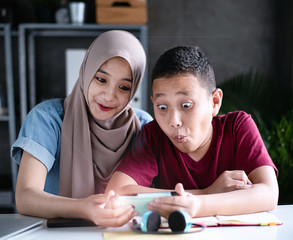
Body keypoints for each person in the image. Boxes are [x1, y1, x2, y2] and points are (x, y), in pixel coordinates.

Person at [106, 46, 279, 219]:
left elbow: (268, 193)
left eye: (186, 105)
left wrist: (198, 206)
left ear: (214, 102)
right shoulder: (154, 136)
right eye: (162, 107)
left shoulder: (237, 127)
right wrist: (205, 192)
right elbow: (116, 193)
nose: (173, 121)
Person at [11, 30, 153, 227]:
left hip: (124, 233)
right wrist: (83, 208)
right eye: (101, 79)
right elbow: (25, 197)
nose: (109, 96)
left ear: (134, 88)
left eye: (124, 87)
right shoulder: (47, 118)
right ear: (87, 71)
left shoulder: (143, 125)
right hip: (56, 235)